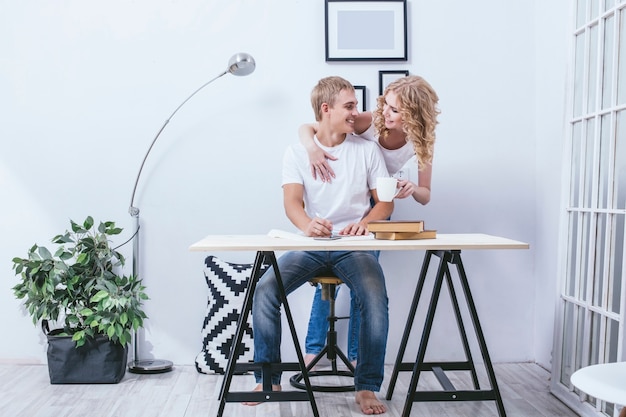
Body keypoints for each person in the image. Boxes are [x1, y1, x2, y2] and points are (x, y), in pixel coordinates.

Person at [249, 76, 393, 415]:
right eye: (349, 106)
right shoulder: (297, 152)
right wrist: (306, 225)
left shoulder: (366, 149)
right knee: (266, 290)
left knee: (375, 297)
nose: (355, 114)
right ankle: (268, 379)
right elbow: (292, 203)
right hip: (313, 245)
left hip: (355, 246)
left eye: (355, 106)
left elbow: (385, 204)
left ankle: (367, 387)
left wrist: (366, 223)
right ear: (326, 110)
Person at [299, 75, 440, 367]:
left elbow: (426, 195)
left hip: (380, 203)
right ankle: (313, 350)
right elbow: (309, 127)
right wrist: (312, 149)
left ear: (412, 114)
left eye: (394, 110)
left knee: (363, 282)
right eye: (385, 105)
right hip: (351, 194)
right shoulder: (373, 121)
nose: (385, 112)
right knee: (328, 275)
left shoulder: (421, 140)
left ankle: (355, 356)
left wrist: (413, 189)